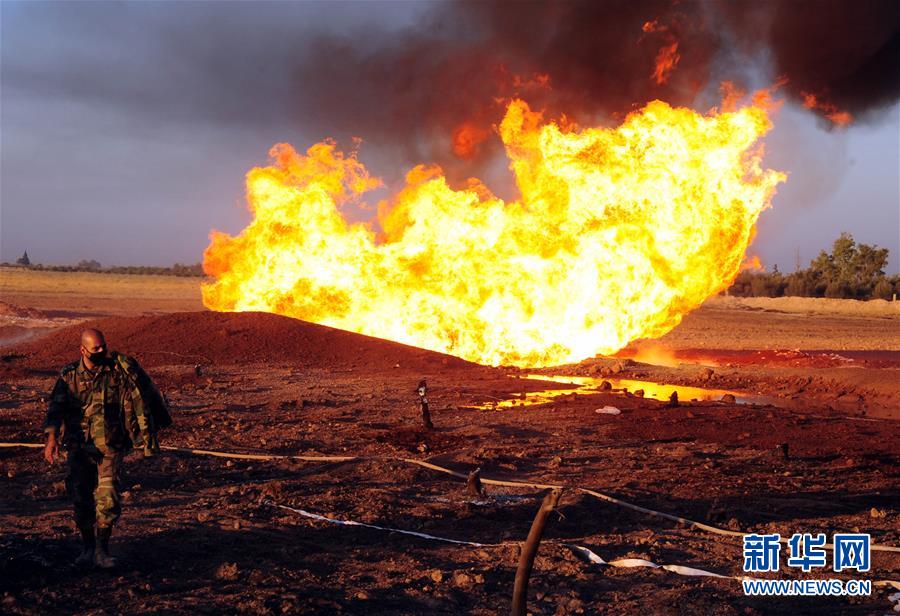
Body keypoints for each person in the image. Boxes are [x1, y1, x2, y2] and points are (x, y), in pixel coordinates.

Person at [43, 328, 168, 568]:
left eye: (104, 346)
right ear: (83, 350)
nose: (102, 351)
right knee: (81, 498)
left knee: (108, 497)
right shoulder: (69, 376)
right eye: (96, 348)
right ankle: (87, 547)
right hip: (79, 448)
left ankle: (102, 549)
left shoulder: (117, 373)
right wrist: (51, 439)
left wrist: (147, 433)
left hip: (111, 446)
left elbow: (141, 395)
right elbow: (54, 410)